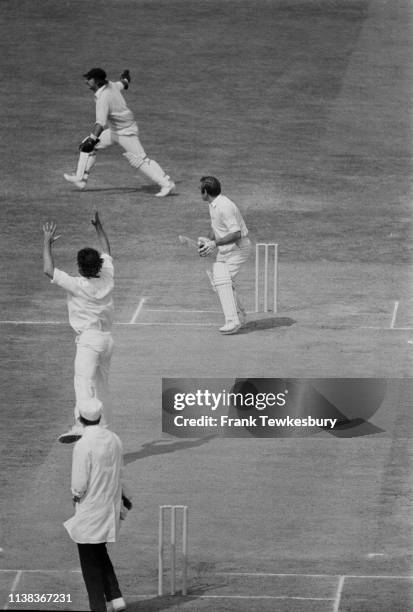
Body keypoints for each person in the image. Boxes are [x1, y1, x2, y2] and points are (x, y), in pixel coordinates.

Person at [43, 212, 115, 443]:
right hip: (107, 341)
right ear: (99, 265)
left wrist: (46, 242)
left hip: (89, 341)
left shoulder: (77, 285)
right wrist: (98, 226)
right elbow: (107, 250)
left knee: (82, 382)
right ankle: (101, 426)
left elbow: (49, 270)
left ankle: (81, 424)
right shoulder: (107, 276)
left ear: (80, 267)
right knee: (100, 385)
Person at [64, 67, 175, 197]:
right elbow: (123, 83)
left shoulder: (103, 98)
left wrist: (92, 139)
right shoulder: (111, 85)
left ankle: (166, 184)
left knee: (140, 161)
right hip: (115, 131)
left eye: (89, 79)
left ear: (97, 81)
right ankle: (81, 178)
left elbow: (100, 123)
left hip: (126, 132)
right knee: (88, 147)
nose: (86, 81)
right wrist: (126, 78)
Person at [63, 398, 131, 612]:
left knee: (89, 561)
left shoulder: (83, 444)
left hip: (91, 507)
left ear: (80, 419)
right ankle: (116, 597)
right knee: (98, 550)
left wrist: (75, 495)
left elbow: (79, 483)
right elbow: (121, 471)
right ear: (100, 416)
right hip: (110, 504)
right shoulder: (114, 439)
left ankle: (98, 607)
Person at [197, 176, 251, 335]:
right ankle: (240, 317)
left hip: (238, 248)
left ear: (206, 191)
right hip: (226, 249)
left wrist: (214, 244)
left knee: (223, 282)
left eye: (200, 190)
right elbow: (216, 228)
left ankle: (233, 322)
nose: (200, 192)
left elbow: (236, 233)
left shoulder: (224, 206)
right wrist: (207, 240)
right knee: (218, 282)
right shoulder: (213, 205)